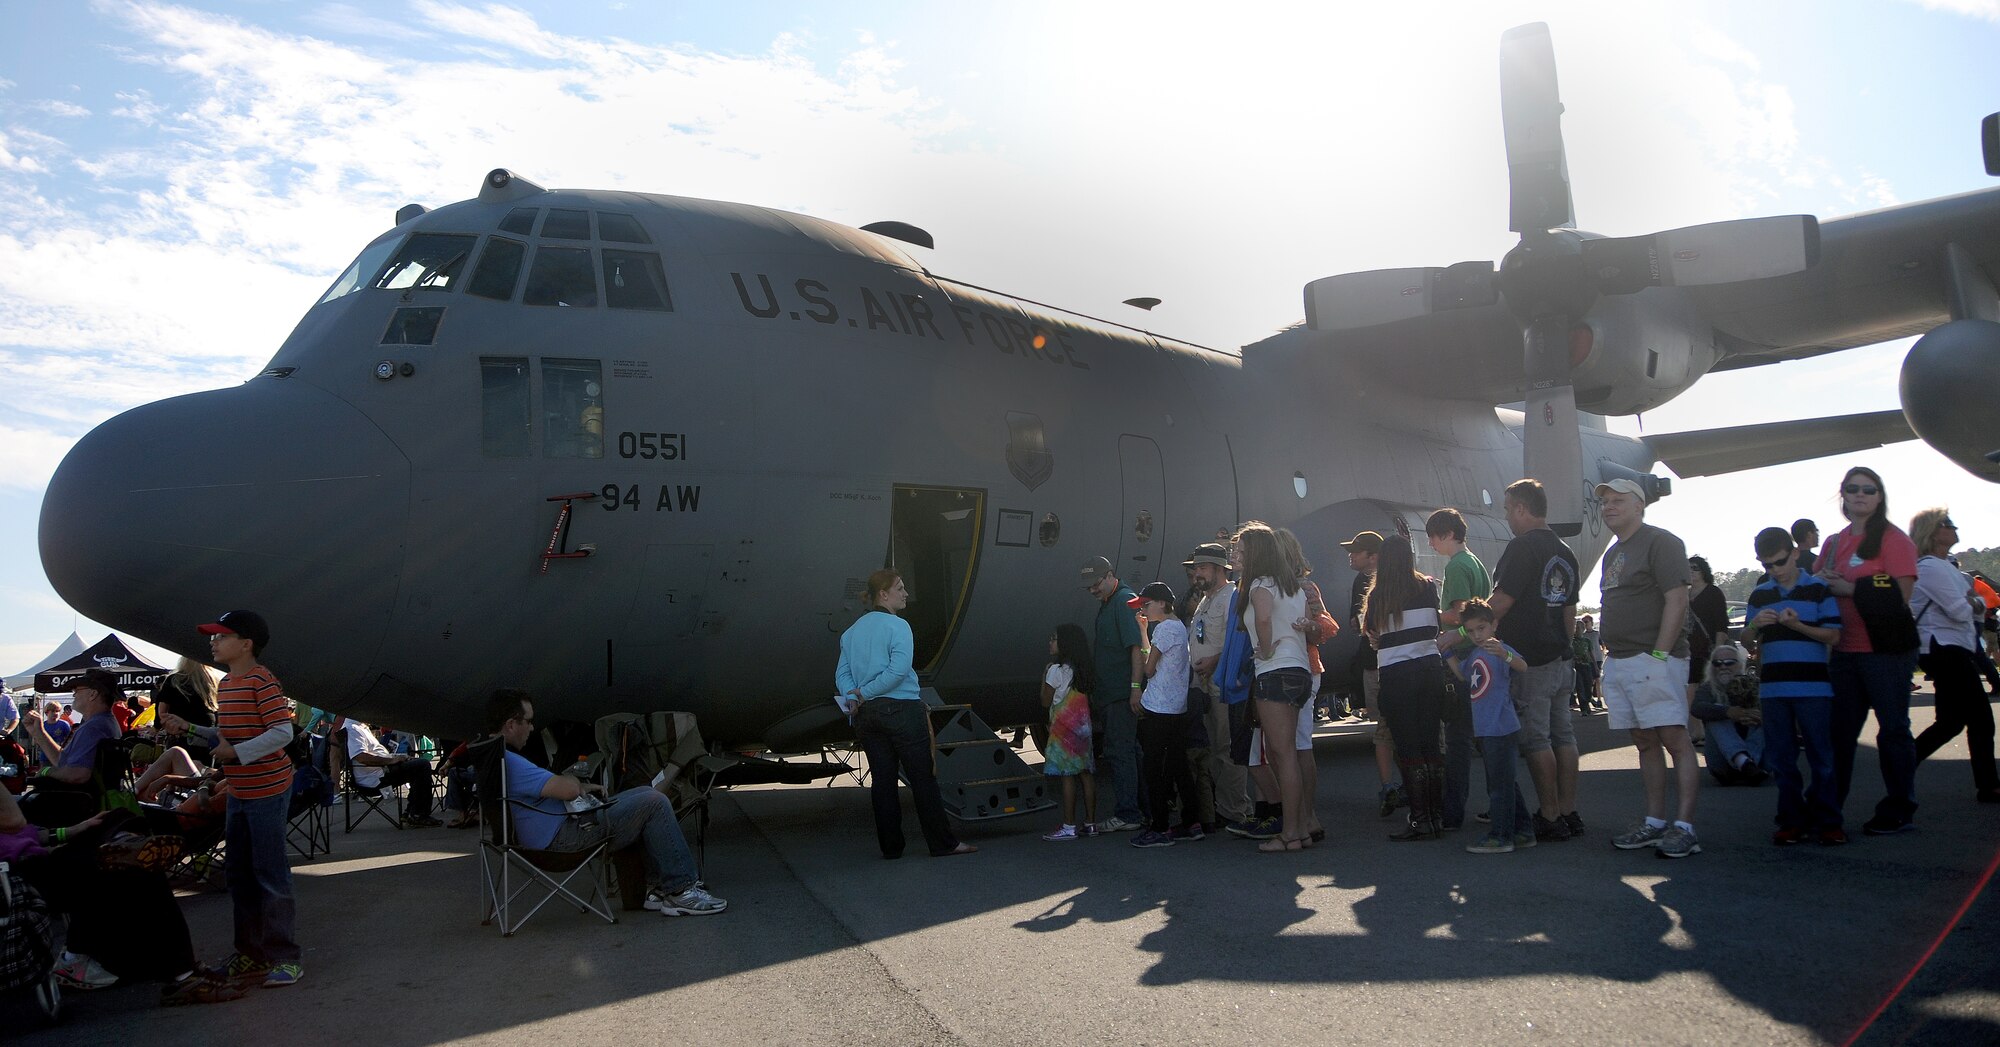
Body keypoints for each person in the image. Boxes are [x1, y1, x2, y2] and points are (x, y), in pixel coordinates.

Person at [158, 609, 303, 991]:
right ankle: (250, 955)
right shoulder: (227, 683)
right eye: (213, 636)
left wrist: (236, 755)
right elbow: (226, 737)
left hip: (268, 790)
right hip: (240, 790)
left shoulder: (262, 681)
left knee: (270, 875)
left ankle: (284, 957)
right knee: (239, 874)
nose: (213, 642)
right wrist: (189, 728)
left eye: (221, 636)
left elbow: (282, 732)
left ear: (246, 644)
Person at [485, 688, 725, 914]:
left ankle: (659, 888)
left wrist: (577, 785)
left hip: (552, 833)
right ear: (510, 724)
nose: (531, 727)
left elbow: (554, 787)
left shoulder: (494, 759)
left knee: (643, 793)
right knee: (654, 801)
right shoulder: (512, 763)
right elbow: (567, 789)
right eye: (527, 721)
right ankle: (682, 891)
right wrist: (572, 781)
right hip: (564, 840)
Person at [837, 569, 976, 859]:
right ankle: (942, 843)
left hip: (867, 716)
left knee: (883, 782)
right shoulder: (898, 627)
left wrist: (854, 696)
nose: (906, 594)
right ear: (883, 595)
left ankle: (891, 848)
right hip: (901, 710)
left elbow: (843, 673)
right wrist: (866, 692)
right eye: (900, 588)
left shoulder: (852, 632)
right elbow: (898, 672)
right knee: (922, 779)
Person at [1596, 478, 1702, 859]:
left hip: (1655, 659)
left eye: (1618, 500)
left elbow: (1677, 600)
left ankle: (1685, 827)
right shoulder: (1613, 553)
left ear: (1640, 505)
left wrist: (1659, 656)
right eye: (1605, 501)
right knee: (1644, 741)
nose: (1609, 506)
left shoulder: (1663, 542)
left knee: (1674, 737)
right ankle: (1655, 823)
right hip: (1621, 659)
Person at [1816, 466, 1922, 835]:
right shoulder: (1832, 544)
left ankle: (1899, 808)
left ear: (1880, 498)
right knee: (1839, 734)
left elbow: (1901, 597)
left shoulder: (1894, 541)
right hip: (1845, 651)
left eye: (1869, 489)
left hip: (1886, 651)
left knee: (1893, 731)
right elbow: (1817, 588)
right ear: (1842, 495)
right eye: (1853, 489)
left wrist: (1848, 589)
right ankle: (1828, 809)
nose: (1860, 494)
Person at [1490, 479, 1583, 841]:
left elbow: (1501, 602)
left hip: (1530, 659)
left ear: (1521, 509)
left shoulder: (1522, 547)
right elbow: (1569, 612)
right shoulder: (1566, 551)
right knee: (1564, 734)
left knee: (1536, 739)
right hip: (1561, 657)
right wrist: (1566, 647)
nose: (1507, 516)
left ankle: (1548, 814)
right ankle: (1568, 810)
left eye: (1507, 508)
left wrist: (1463, 628)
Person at [1747, 525, 1846, 845]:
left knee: (1822, 758)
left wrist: (1797, 625)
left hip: (1814, 688)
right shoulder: (1761, 594)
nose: (1773, 570)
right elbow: (1746, 640)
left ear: (1794, 554)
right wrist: (1753, 626)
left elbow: (1833, 636)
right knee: (1781, 760)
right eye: (1766, 565)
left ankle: (1828, 821)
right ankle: (1791, 819)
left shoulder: (1818, 589)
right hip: (1774, 689)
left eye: (1778, 562)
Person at [1907, 509, 1999, 802]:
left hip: (1947, 648)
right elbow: (1962, 610)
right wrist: (1973, 603)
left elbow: (1975, 607)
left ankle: (1901, 765)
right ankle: (1988, 785)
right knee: (1981, 719)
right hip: (1943, 648)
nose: (1954, 527)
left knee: (1950, 722)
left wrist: (1972, 603)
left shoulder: (1944, 567)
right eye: (1947, 524)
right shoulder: (1932, 567)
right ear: (1932, 532)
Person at [1364, 533, 1448, 842]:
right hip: (1430, 671)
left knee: (1408, 748)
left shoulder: (1378, 595)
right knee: (1430, 745)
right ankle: (1436, 816)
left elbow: (1372, 635)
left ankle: (1420, 820)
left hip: (1397, 676)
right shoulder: (1427, 586)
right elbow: (1435, 627)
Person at [1237, 522, 1314, 852]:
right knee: (1291, 755)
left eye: (1239, 551)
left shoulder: (1259, 585)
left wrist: (1266, 648)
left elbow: (1264, 619)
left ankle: (1291, 833)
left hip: (1274, 672)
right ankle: (1302, 829)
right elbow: (1310, 624)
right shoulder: (1293, 586)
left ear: (1254, 553)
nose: (1235, 555)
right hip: (1299, 671)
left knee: (1282, 757)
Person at [1454, 600, 1537, 854]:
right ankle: (1523, 831)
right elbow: (1463, 675)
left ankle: (1501, 836)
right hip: (1487, 728)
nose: (1477, 635)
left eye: (1481, 628)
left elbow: (1522, 666)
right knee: (1505, 781)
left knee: (1499, 785)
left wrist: (1505, 653)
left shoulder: (1499, 650)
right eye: (1471, 630)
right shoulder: (1475, 654)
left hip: (1501, 727)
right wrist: (1448, 655)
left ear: (1494, 625)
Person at [1427, 507, 1489, 832]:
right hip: (1479, 656)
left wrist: (1431, 614)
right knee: (1482, 737)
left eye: (1434, 537)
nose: (1432, 544)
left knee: (1457, 740)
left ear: (1448, 534)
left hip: (1460, 658)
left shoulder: (1456, 566)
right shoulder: (1476, 562)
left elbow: (1459, 614)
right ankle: (1500, 802)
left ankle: (1452, 811)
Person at [1185, 543, 1251, 832]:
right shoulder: (1205, 599)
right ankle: (1224, 807)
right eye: (1194, 568)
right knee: (1214, 750)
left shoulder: (1231, 597)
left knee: (1227, 749)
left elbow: (1238, 641)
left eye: (1201, 568)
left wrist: (1213, 661)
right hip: (1204, 686)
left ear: (1218, 569)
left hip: (1223, 685)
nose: (1196, 573)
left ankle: (1236, 810)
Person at [1274, 528, 1335, 843]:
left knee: (1297, 747)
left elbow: (1327, 624)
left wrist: (1311, 625)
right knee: (1293, 747)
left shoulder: (1303, 587)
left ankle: (1305, 817)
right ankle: (1301, 817)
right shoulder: (1270, 585)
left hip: (1300, 668)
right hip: (1292, 670)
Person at [1130, 581, 1201, 847]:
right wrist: (1144, 631)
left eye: (1146, 604)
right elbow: (1154, 663)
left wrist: (1146, 635)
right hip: (1176, 707)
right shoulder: (1179, 627)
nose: (1144, 610)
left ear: (1162, 603)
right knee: (1178, 766)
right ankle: (1191, 823)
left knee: (1153, 769)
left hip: (1159, 708)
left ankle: (1159, 827)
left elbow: (1148, 669)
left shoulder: (1166, 629)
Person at [1080, 556, 1147, 832]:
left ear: (1109, 576)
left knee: (1121, 753)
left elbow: (1135, 648)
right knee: (1129, 752)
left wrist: (1135, 688)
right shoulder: (1109, 602)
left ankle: (1129, 814)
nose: (1093, 591)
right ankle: (1142, 810)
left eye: (1095, 584)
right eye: (1088, 588)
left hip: (1121, 695)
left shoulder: (1123, 601)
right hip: (1112, 694)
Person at [1344, 530, 1403, 818]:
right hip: (1381, 660)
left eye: (1357, 551)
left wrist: (1368, 629)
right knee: (1387, 726)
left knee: (1385, 728)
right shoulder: (1362, 581)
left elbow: (1360, 625)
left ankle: (1392, 785)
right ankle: (1399, 785)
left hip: (1378, 660)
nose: (1351, 556)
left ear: (1374, 556)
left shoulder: (1375, 583)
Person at [18, 668, 125, 828]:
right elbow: (64, 762)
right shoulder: (103, 723)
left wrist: (45, 771)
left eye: (77, 689)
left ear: (92, 694)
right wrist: (38, 733)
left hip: (71, 807)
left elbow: (78, 774)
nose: (73, 693)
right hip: (83, 803)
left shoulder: (93, 727)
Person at [1039, 623, 1100, 841]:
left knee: (1067, 776)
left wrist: (1044, 675)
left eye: (1054, 638)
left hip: (1062, 731)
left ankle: (1068, 825)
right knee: (1086, 773)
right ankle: (1091, 822)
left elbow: (1045, 701)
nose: (1050, 642)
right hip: (1083, 730)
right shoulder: (1082, 670)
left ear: (1064, 643)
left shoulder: (1055, 671)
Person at [338, 716, 443, 827]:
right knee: (422, 766)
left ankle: (412, 812)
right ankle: (418, 814)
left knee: (417, 764)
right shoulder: (353, 728)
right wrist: (392, 760)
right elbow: (362, 757)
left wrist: (397, 758)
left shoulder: (359, 726)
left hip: (381, 770)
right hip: (376, 778)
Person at [1689, 643, 1768, 785]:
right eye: (1717, 663)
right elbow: (1696, 708)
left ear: (1740, 664)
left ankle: (1748, 762)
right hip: (1721, 766)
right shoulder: (1708, 688)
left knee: (1766, 716)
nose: (1723, 667)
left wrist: (1759, 717)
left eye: (1729, 662)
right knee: (1716, 711)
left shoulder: (1755, 685)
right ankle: (1742, 761)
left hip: (1759, 759)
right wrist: (1729, 712)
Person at [1687, 556, 1731, 686]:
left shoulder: (1713, 593)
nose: (1691, 571)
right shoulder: (1683, 594)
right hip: (1687, 652)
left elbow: (1721, 625)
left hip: (1707, 652)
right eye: (1688, 568)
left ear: (1703, 571)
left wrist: (1717, 655)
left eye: (1695, 568)